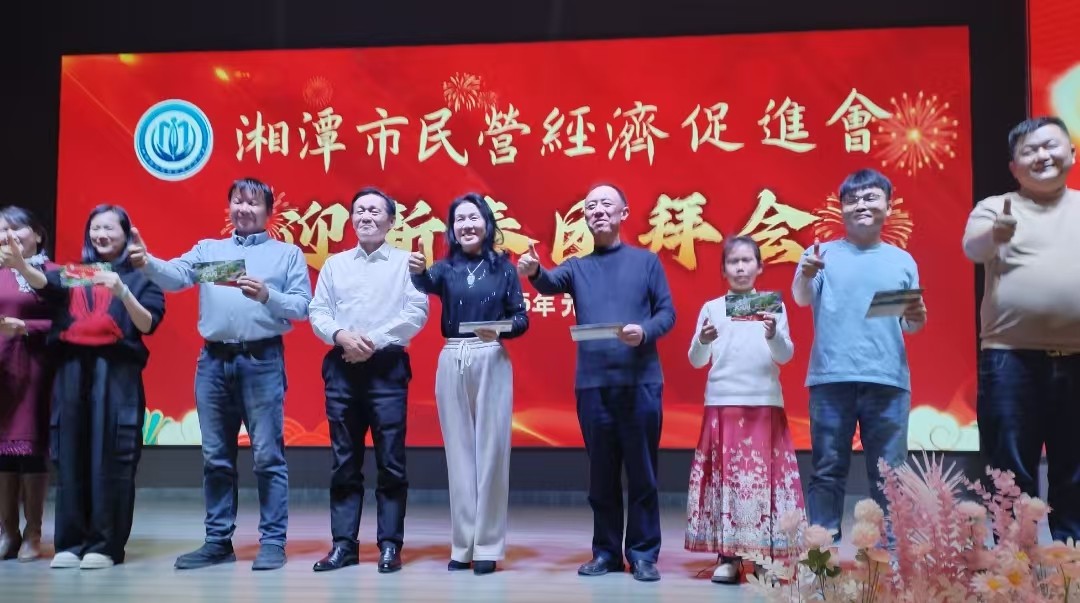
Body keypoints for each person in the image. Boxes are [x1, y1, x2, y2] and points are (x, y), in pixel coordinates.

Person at [129, 178, 312, 571]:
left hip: (261, 360)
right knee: (215, 457)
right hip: (213, 362)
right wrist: (146, 262)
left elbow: (302, 307)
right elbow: (176, 276)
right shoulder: (209, 250)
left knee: (267, 456)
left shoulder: (287, 254)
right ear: (229, 207)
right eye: (237, 202)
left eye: (253, 203)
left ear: (268, 212)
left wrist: (267, 295)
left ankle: (272, 542)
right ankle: (217, 541)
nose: (244, 209)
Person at [518, 183, 675, 582]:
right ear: (585, 218)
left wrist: (644, 331)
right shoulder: (577, 266)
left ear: (624, 213)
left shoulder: (646, 262)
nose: (598, 211)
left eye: (606, 204)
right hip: (593, 386)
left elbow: (667, 313)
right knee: (601, 475)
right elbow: (549, 283)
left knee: (642, 473)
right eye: (590, 207)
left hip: (640, 384)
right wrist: (534, 271)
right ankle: (605, 552)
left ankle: (643, 554)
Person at [8, 205, 165, 569]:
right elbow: (47, 284)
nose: (101, 235)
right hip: (73, 370)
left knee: (111, 456)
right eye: (95, 228)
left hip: (117, 373)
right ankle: (71, 542)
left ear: (125, 233)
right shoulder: (77, 273)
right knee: (71, 454)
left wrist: (123, 292)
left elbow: (147, 324)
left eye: (109, 228)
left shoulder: (140, 277)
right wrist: (21, 266)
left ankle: (105, 545)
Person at [791, 168, 926, 542]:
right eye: (852, 199)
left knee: (890, 473)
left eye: (870, 197)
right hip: (831, 378)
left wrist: (917, 316)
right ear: (841, 208)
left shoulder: (902, 260)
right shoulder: (820, 254)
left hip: (888, 379)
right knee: (827, 469)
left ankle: (891, 554)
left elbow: (910, 323)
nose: (861, 205)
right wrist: (805, 273)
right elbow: (801, 297)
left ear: (888, 205)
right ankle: (822, 553)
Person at [962, 116, 1080, 543]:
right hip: (1009, 356)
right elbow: (973, 248)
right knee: (1010, 468)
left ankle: (1072, 561)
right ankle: (1014, 563)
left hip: (1077, 356)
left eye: (1050, 146)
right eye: (1029, 151)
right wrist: (996, 234)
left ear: (1072, 153)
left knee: (1075, 466)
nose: (1042, 156)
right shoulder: (997, 207)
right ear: (1014, 167)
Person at [308, 187, 428, 574]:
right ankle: (344, 544)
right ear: (351, 219)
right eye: (359, 211)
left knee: (391, 462)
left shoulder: (406, 263)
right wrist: (342, 335)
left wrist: (371, 341)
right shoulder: (335, 265)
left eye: (375, 211)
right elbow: (318, 310)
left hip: (387, 369)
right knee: (344, 462)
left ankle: (390, 545)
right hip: (342, 367)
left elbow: (417, 311)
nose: (366, 217)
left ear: (391, 221)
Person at [408, 192, 528, 575]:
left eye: (473, 218)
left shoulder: (504, 269)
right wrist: (416, 271)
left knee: (491, 453)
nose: (467, 225)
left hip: (491, 355)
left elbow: (521, 318)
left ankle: (488, 545)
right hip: (452, 355)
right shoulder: (445, 269)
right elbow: (424, 283)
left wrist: (501, 330)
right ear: (452, 228)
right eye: (459, 220)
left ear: (487, 223)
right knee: (458, 455)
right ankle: (463, 544)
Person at [686, 235, 802, 583]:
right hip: (723, 403)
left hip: (764, 402)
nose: (740, 267)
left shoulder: (772, 307)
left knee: (763, 483)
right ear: (723, 270)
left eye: (747, 260)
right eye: (733, 262)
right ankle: (729, 557)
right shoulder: (712, 308)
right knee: (728, 483)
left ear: (759, 267)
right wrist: (702, 340)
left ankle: (764, 557)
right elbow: (696, 361)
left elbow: (785, 355)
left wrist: (773, 334)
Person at [0, 207, 57, 562]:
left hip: (36, 368)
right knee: (2, 452)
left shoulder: (52, 273)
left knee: (31, 450)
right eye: (0, 230)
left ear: (37, 233)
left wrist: (26, 327)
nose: (7, 235)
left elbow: (67, 322)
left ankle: (33, 533)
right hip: (1, 370)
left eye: (15, 227)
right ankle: (7, 532)